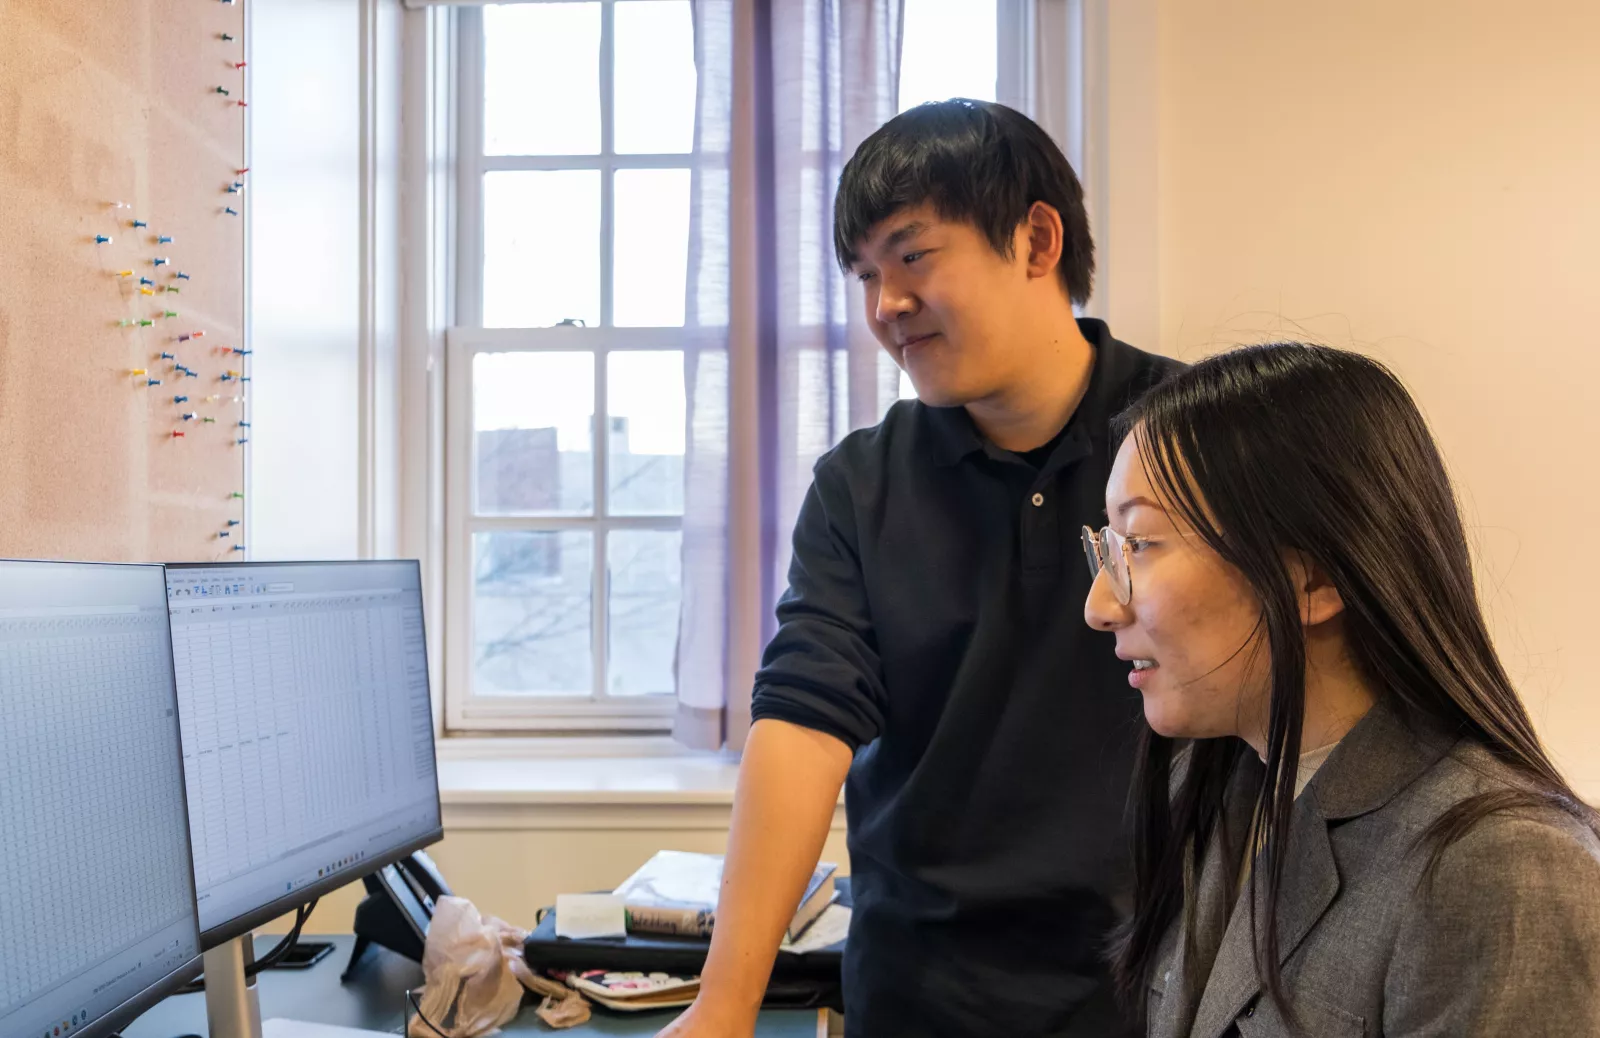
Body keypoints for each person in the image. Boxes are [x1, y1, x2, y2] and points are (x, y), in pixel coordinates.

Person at [659, 99, 1181, 1038]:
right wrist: (723, 1004)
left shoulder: (1194, 437)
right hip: (921, 993)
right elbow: (804, 721)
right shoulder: (861, 484)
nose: (884, 306)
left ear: (1035, 239)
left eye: (912, 257)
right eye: (864, 275)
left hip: (1160, 983)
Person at [1083, 342, 1600, 1037]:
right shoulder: (1223, 790)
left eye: (1139, 544)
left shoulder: (1504, 871)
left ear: (1315, 579)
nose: (1099, 604)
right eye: (1108, 548)